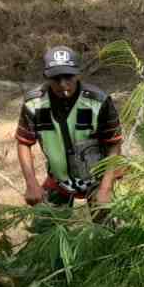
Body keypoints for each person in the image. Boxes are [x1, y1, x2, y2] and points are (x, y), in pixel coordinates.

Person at [14, 45, 123, 209]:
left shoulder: (98, 101)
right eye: (56, 78)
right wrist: (31, 183)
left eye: (68, 77)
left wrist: (106, 188)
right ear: (46, 77)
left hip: (99, 179)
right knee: (45, 228)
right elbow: (24, 142)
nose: (63, 84)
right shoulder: (34, 103)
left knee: (107, 229)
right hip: (58, 180)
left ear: (78, 74)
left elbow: (114, 143)